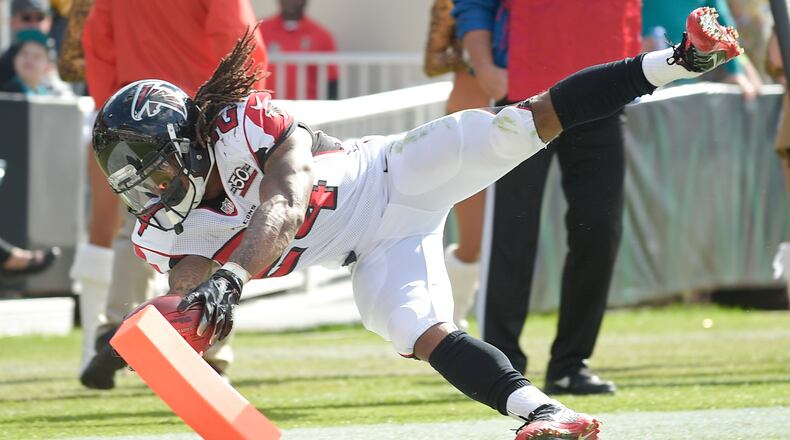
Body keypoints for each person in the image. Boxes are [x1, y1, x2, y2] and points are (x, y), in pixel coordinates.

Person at [92, 10, 741, 439]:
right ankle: (546, 413)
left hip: (392, 174)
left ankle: (678, 60)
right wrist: (165, 326)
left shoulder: (240, 125)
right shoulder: (163, 229)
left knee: (525, 120)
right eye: (135, 179)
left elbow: (284, 201)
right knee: (419, 328)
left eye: (151, 170)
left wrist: (232, 278)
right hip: (375, 251)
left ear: (191, 141)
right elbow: (186, 284)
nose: (149, 191)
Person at [74, 0, 267, 390]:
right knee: (215, 223)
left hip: (133, 113)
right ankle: (208, 346)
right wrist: (245, 105)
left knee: (139, 220)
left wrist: (107, 110)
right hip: (199, 112)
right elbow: (236, 33)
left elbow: (99, 41)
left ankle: (116, 326)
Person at [452, 0, 640, 395]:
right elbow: (473, 5)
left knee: (600, 232)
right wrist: (485, 66)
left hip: (604, 98)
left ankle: (571, 365)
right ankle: (501, 369)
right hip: (524, 97)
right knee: (512, 233)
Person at [422, 0, 490, 331]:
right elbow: (432, 61)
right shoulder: (453, 4)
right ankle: (451, 321)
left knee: (513, 228)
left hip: (523, 111)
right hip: (468, 119)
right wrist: (480, 57)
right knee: (472, 238)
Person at [260, 0, 339, 100]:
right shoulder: (260, 31)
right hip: (267, 108)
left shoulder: (322, 35)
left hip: (307, 108)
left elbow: (332, 80)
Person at [0, 29, 71, 96]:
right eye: (25, 54)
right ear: (14, 59)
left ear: (49, 66)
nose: (29, 60)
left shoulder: (52, 95)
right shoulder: (5, 92)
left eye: (37, 57)